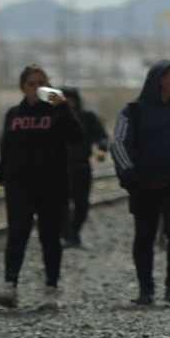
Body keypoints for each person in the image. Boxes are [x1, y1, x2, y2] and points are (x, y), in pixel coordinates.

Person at [111, 61, 170, 305]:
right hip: (144, 184)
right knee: (144, 235)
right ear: (161, 80)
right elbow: (118, 142)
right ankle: (146, 289)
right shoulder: (134, 110)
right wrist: (129, 174)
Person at [0, 65, 83, 309]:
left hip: (53, 182)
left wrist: (63, 107)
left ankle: (51, 289)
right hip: (20, 182)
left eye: (41, 83)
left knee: (50, 236)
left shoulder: (57, 112)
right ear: (23, 87)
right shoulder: (14, 113)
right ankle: (10, 285)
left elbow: (76, 137)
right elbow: (7, 145)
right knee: (18, 231)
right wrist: (1, 171)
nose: (37, 88)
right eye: (31, 84)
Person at [60, 87, 109, 248]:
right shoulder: (56, 117)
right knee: (61, 204)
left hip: (81, 166)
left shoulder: (87, 117)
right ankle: (68, 235)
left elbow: (101, 135)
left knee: (82, 204)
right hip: (60, 168)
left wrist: (102, 149)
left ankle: (74, 234)